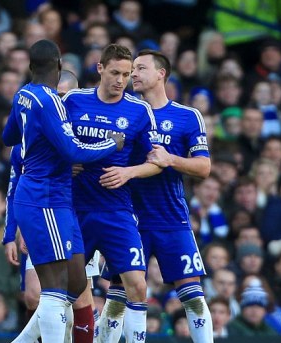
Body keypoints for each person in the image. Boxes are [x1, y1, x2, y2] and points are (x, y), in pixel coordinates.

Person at [2, 39, 123, 342]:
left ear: (31, 66)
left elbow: (9, 136)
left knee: (76, 280)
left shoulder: (23, 96)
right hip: (44, 198)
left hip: (57, 199)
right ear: (58, 64)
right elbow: (73, 151)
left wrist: (39, 142)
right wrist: (111, 143)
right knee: (54, 287)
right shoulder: (50, 100)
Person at [99, 49, 213, 343]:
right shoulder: (125, 111)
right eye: (130, 70)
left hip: (171, 218)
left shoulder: (187, 116)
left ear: (161, 74)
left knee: (193, 295)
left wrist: (170, 159)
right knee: (118, 294)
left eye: (140, 68)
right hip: (128, 219)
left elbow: (203, 167)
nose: (132, 74)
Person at [62, 43, 160, 343]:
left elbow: (157, 162)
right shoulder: (73, 101)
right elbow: (49, 147)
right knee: (66, 292)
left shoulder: (139, 110)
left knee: (138, 286)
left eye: (127, 74)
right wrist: (68, 165)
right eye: (115, 72)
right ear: (100, 68)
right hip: (75, 210)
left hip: (117, 211)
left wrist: (128, 172)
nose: (121, 80)